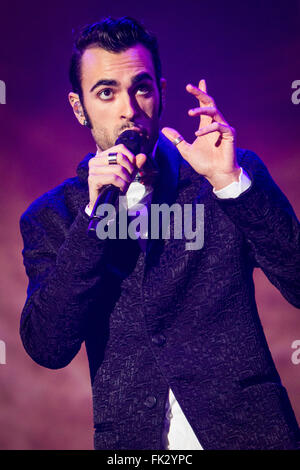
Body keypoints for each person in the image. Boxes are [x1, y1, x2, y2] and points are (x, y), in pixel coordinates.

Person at [19, 16, 300, 450]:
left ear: (161, 94)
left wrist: (231, 186)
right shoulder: (53, 217)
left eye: (142, 88)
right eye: (106, 92)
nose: (129, 108)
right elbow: (48, 347)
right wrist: (94, 218)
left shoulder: (225, 176)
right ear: (79, 108)